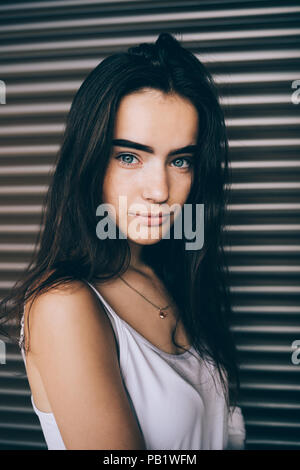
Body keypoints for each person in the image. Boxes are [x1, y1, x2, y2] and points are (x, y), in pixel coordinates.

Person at [0, 32, 246, 450]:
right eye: (129, 156)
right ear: (89, 160)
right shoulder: (64, 304)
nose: (159, 190)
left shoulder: (171, 275)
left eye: (180, 160)